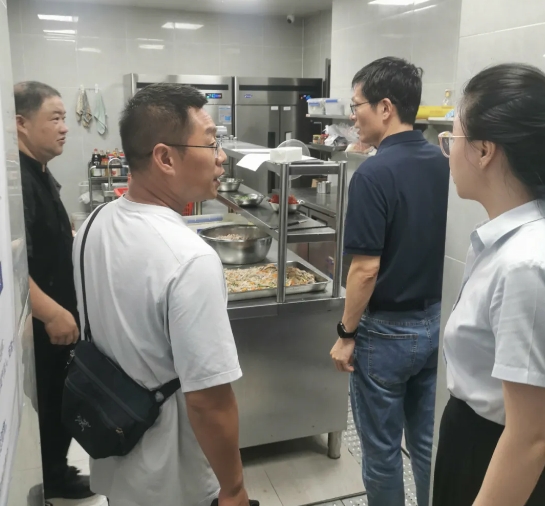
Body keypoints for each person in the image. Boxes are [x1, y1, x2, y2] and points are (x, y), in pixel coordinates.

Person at [72, 83, 249, 506]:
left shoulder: (93, 224)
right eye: (211, 142)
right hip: (174, 479)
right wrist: (234, 489)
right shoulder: (190, 259)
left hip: (117, 454)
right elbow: (208, 401)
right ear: (165, 158)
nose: (221, 157)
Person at [330, 57, 450, 506]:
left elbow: (365, 269)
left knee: (381, 452)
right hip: (436, 321)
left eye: (356, 105)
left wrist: (346, 334)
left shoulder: (373, 173)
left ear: (385, 107)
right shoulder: (445, 163)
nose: (352, 116)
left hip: (387, 333)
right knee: (426, 443)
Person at [433, 63, 545, 506]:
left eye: (452, 139)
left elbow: (530, 438)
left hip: (494, 454)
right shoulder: (505, 241)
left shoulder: (524, 264)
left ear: (483, 151)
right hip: (475, 438)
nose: (448, 153)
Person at [15, 81, 94, 500]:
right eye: (56, 118)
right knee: (50, 402)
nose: (65, 127)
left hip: (58, 313)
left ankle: (56, 473)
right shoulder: (17, 182)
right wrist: (51, 313)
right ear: (21, 123)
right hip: (46, 321)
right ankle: (52, 480)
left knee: (59, 399)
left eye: (65, 118)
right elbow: (11, 265)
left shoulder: (39, 171)